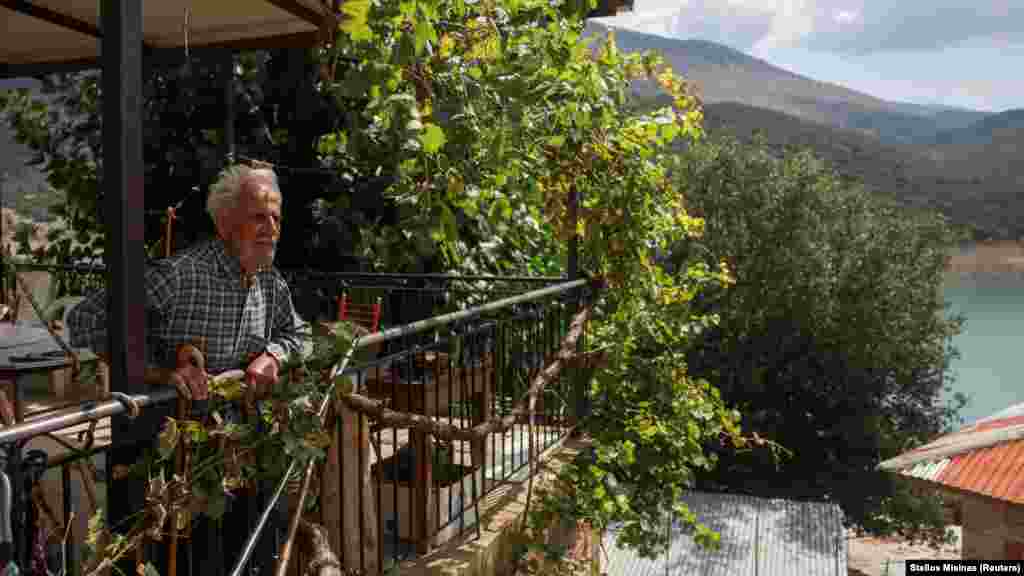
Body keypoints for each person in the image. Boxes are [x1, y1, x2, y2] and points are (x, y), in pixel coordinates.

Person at [66, 163, 313, 573]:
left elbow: (300, 334)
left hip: (237, 459)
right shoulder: (180, 276)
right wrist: (162, 371)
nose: (271, 227)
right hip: (171, 470)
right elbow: (83, 321)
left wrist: (273, 356)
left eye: (275, 217)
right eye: (258, 216)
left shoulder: (270, 282)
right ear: (224, 223)